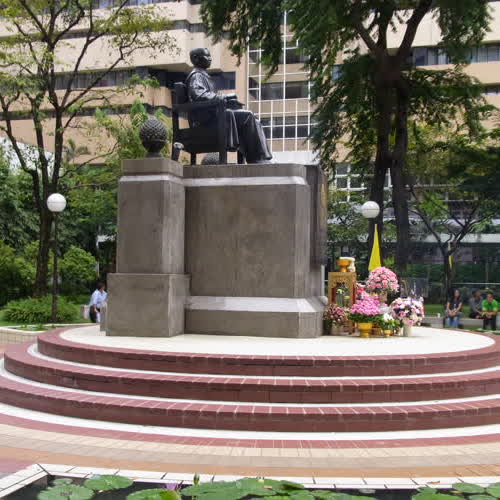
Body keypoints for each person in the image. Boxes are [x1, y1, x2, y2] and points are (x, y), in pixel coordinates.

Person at [186, 48, 273, 164]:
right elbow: (199, 95)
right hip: (205, 121)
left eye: (210, 56)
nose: (210, 59)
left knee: (253, 119)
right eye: (207, 56)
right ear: (196, 59)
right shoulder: (196, 76)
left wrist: (229, 100)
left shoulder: (204, 76)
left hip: (214, 116)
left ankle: (259, 157)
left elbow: (209, 97)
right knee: (248, 116)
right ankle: (256, 158)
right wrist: (224, 97)